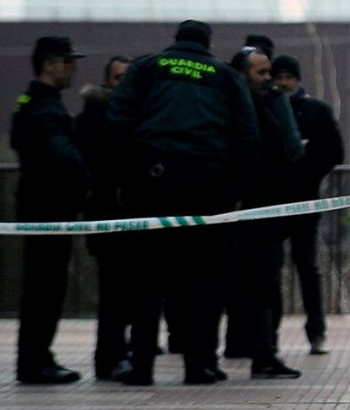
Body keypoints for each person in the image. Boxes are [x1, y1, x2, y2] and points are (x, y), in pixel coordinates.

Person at [107, 20, 259, 385]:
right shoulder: (224, 75)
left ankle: (142, 366)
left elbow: (117, 121)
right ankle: (200, 364)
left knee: (148, 281)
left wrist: (128, 179)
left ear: (175, 41)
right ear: (208, 44)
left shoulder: (147, 67)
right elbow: (249, 136)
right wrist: (232, 191)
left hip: (152, 186)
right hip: (207, 190)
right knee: (203, 281)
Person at [10, 36, 90, 384]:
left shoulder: (30, 101)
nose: (73, 68)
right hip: (48, 209)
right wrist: (87, 180)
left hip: (39, 205)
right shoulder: (43, 106)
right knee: (46, 287)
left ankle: (37, 357)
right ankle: (35, 362)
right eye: (68, 61)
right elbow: (63, 157)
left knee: (42, 287)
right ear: (49, 64)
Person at [229, 46, 304, 379]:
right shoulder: (260, 106)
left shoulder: (261, 102)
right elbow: (290, 147)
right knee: (251, 287)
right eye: (261, 72)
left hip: (264, 210)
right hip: (247, 210)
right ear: (243, 74)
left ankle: (262, 352)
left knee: (263, 287)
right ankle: (253, 352)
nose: (269, 79)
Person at [272, 55, 345, 355]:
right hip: (272, 203)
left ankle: (316, 330)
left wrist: (306, 170)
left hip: (303, 201)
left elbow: (333, 151)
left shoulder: (316, 112)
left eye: (289, 77)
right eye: (280, 77)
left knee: (307, 267)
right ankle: (269, 334)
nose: (284, 83)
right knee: (271, 269)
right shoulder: (268, 109)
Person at [77, 55, 134, 380]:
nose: (123, 84)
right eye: (118, 78)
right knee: (114, 294)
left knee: (124, 295)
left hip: (125, 218)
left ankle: (116, 355)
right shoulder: (97, 119)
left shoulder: (126, 116)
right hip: (107, 219)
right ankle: (111, 357)